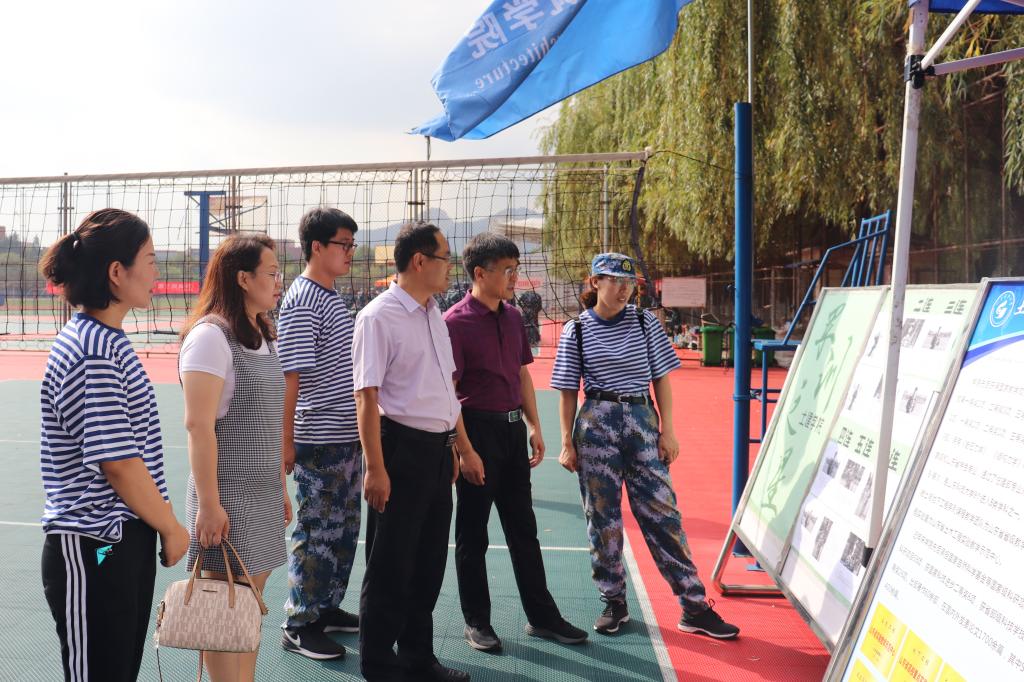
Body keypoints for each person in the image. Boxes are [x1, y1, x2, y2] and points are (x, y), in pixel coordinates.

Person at [552, 252, 740, 640]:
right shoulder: (577, 330)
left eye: (629, 283)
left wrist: (668, 431)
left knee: (662, 514)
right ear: (595, 283)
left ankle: (694, 606)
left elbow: (662, 380)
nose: (623, 290)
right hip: (596, 426)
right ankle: (613, 601)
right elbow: (568, 390)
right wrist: (566, 442)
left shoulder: (644, 323)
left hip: (642, 423)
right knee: (602, 519)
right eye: (614, 281)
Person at [38, 208, 191, 682]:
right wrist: (171, 526)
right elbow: (119, 463)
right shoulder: (93, 350)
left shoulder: (108, 341)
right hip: (96, 546)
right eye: (150, 260)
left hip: (118, 540)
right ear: (116, 273)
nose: (156, 272)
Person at [443, 233, 587, 652]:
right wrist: (464, 450)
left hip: (511, 432)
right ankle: (477, 621)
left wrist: (534, 425)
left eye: (515, 269)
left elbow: (522, 374)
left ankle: (542, 617)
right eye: (507, 271)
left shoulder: (511, 317)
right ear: (480, 273)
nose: (514, 278)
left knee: (524, 529)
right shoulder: (454, 323)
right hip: (476, 432)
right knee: (473, 534)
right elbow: (448, 391)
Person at [352, 222, 470, 682]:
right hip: (400, 450)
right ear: (419, 261)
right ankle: (380, 666)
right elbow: (366, 397)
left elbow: (445, 390)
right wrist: (375, 468)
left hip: (437, 454)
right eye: (445, 258)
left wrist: (456, 447)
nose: (450, 267)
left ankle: (418, 658)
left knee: (428, 564)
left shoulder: (433, 313)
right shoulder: (378, 317)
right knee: (391, 566)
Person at [178, 233, 290, 682]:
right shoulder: (210, 337)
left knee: (247, 610)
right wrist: (209, 504)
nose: (279, 281)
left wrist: (280, 489)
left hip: (262, 495)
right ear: (243, 279)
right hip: (227, 500)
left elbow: (267, 423)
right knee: (224, 612)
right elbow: (198, 426)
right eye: (271, 273)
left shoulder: (264, 333)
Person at [278, 208, 362, 660]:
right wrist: (286, 441)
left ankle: (325, 607)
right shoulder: (302, 300)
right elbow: (289, 378)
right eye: (343, 244)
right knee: (316, 532)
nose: (350, 252)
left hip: (345, 436)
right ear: (316, 246)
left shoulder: (329, 295)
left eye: (351, 245)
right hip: (319, 439)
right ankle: (299, 622)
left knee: (343, 529)